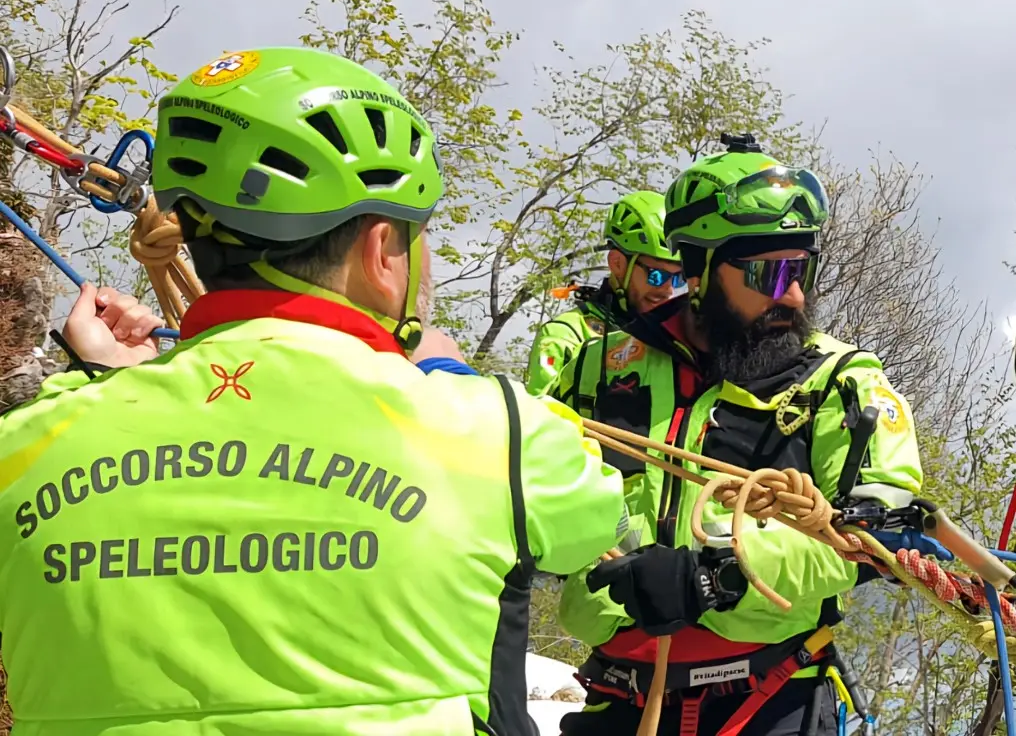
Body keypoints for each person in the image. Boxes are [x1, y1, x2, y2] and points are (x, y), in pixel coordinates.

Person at [0, 47, 632, 736]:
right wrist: (448, 375)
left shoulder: (27, 446)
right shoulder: (494, 430)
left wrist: (104, 390)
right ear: (383, 250)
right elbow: (604, 529)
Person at [552, 133, 924, 735]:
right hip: (617, 698)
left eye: (802, 269)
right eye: (769, 273)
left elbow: (885, 524)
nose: (795, 295)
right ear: (697, 268)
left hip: (770, 703)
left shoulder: (839, 381)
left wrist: (714, 576)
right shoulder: (596, 371)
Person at [525, 191, 684, 396]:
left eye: (679, 278)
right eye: (657, 276)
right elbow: (538, 418)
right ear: (617, 264)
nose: (668, 289)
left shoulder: (675, 339)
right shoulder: (565, 335)